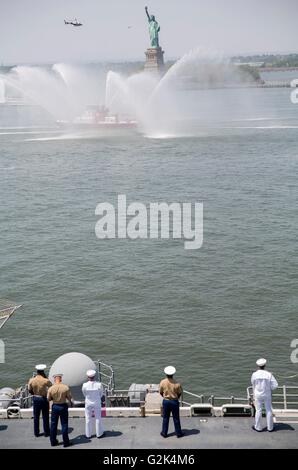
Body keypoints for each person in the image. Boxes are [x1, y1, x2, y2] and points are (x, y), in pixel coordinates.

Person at [251, 358, 278, 432]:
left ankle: (258, 427)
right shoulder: (269, 374)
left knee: (258, 410)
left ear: (258, 366)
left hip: (258, 395)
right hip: (267, 394)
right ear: (265, 365)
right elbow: (275, 385)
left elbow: (253, 383)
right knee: (268, 410)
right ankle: (270, 428)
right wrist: (269, 388)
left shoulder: (254, 374)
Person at [47, 373, 73, 447]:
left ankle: (53, 442)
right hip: (63, 406)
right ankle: (66, 442)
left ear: (55, 380)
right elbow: (69, 397)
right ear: (61, 379)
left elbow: (48, 399)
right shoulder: (65, 387)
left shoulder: (51, 388)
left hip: (55, 407)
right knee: (64, 424)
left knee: (53, 424)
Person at [28, 364, 52, 437]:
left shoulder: (31, 380)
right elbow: (51, 388)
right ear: (43, 372)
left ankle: (36, 433)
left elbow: (29, 390)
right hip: (44, 399)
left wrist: (34, 394)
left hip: (36, 398)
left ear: (37, 372)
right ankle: (46, 432)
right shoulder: (45, 380)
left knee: (36, 416)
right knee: (45, 416)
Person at [159, 366, 183, 438]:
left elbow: (160, 392)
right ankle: (178, 433)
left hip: (166, 402)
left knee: (165, 418)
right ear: (173, 374)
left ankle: (164, 433)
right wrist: (175, 398)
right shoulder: (177, 383)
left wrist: (165, 396)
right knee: (176, 418)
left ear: (166, 374)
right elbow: (179, 393)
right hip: (174, 402)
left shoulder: (162, 382)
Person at [82, 369, 104, 439]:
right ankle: (99, 434)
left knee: (88, 418)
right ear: (94, 376)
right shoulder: (99, 384)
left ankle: (88, 435)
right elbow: (101, 394)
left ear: (88, 377)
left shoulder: (84, 385)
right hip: (97, 402)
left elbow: (84, 393)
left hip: (88, 403)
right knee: (98, 418)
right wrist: (97, 398)